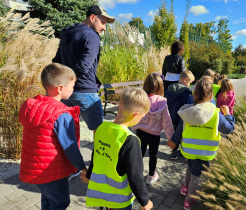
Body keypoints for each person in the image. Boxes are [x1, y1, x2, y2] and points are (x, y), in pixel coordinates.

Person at [18, 63, 88, 210]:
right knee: (61, 202)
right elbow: (70, 146)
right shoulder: (61, 115)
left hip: (36, 168)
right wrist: (82, 167)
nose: (73, 88)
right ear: (60, 88)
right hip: (51, 171)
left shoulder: (35, 106)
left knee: (49, 199)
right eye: (72, 85)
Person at [167, 78, 235, 210]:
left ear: (194, 95)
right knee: (196, 177)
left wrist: (173, 142)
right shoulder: (216, 114)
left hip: (189, 150)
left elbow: (179, 131)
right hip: (205, 152)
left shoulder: (187, 112)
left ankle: (185, 189)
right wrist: (227, 115)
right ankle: (188, 201)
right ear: (211, 96)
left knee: (190, 168)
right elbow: (228, 129)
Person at [81, 88, 153, 210]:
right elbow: (135, 177)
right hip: (120, 200)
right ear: (135, 115)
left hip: (102, 195)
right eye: (142, 117)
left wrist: (89, 175)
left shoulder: (101, 128)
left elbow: (96, 155)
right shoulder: (130, 140)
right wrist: (144, 202)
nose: (141, 119)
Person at [52, 5, 115, 132]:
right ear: (92, 18)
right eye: (102, 22)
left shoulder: (66, 34)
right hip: (86, 91)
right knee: (100, 132)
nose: (104, 28)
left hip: (65, 93)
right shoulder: (92, 36)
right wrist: (70, 81)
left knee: (67, 132)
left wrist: (64, 85)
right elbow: (84, 66)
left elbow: (56, 62)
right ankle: (97, 153)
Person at [132, 73, 174, 185]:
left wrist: (130, 128)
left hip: (141, 131)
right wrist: (171, 137)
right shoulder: (162, 102)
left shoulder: (140, 99)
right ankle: (151, 176)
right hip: (155, 134)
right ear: (160, 87)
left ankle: (136, 174)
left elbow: (133, 115)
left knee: (139, 153)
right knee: (153, 155)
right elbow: (167, 121)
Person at [164, 70, 195, 160]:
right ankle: (179, 151)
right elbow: (186, 104)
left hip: (169, 115)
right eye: (189, 82)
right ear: (185, 80)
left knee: (172, 131)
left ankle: (173, 150)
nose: (189, 84)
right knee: (179, 132)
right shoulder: (186, 91)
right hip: (180, 116)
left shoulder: (169, 88)